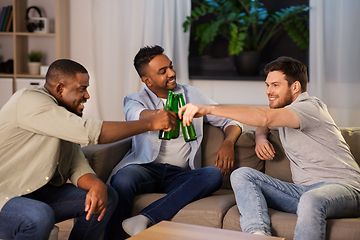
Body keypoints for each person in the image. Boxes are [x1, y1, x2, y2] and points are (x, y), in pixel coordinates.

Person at [179, 56, 360, 240]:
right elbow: (264, 124)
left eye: (275, 85)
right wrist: (260, 138)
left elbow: (265, 118)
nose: (268, 91)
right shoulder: (285, 112)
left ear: (295, 87)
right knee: (241, 175)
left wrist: (208, 109)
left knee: (311, 200)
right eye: (267, 85)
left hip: (344, 189)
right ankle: (259, 234)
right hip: (303, 192)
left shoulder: (310, 107)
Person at [0, 59, 174, 240]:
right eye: (81, 89)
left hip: (35, 192)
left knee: (107, 197)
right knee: (39, 216)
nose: (87, 96)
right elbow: (90, 132)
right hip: (5, 193)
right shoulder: (29, 100)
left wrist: (97, 185)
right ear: (60, 89)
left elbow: (76, 165)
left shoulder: (63, 117)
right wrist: (150, 123)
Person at [104, 45, 243, 240]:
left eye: (170, 66)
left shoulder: (192, 95)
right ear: (147, 81)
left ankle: (144, 218)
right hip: (145, 169)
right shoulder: (134, 100)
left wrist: (228, 142)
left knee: (213, 175)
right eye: (163, 71)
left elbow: (230, 120)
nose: (171, 73)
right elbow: (136, 115)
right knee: (123, 179)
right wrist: (156, 117)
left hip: (181, 174)